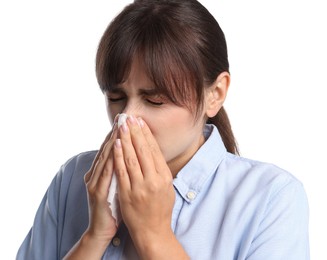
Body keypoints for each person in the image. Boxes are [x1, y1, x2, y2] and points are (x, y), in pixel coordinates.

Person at [16, 0, 310, 259]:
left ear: (215, 94)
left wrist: (153, 234)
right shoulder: (73, 179)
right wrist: (94, 237)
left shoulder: (271, 196)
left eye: (155, 100)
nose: (128, 117)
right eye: (116, 97)